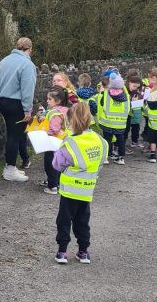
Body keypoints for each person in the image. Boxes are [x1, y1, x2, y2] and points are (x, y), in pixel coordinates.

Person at [50, 102, 108, 265]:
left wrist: (58, 150)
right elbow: (101, 161)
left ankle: (62, 251)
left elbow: (57, 165)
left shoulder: (70, 143)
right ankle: (83, 251)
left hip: (69, 190)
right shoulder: (100, 141)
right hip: (87, 189)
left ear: (71, 122)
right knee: (83, 221)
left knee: (64, 220)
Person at [0, 37, 37, 182]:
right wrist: (27, 109)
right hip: (17, 104)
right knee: (15, 136)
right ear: (30, 49)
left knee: (11, 134)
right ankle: (10, 169)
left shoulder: (4, 61)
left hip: (3, 101)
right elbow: (27, 89)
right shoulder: (27, 64)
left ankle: (10, 166)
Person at [36, 88, 69, 194]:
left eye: (50, 99)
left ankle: (52, 186)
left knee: (50, 163)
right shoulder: (65, 110)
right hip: (62, 141)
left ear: (58, 101)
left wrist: (43, 131)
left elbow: (54, 129)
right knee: (59, 162)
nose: (47, 101)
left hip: (53, 142)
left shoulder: (55, 113)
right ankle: (57, 182)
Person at [94, 72, 130, 165]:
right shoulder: (125, 94)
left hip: (107, 122)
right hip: (120, 123)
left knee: (107, 140)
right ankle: (121, 158)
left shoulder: (106, 94)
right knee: (121, 140)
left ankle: (106, 157)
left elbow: (101, 104)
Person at [125, 72, 145, 149]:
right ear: (129, 82)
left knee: (136, 128)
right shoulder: (125, 90)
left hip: (136, 113)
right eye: (134, 86)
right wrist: (131, 100)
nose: (135, 88)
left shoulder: (137, 92)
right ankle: (121, 144)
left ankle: (134, 141)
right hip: (127, 114)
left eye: (137, 87)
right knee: (125, 129)